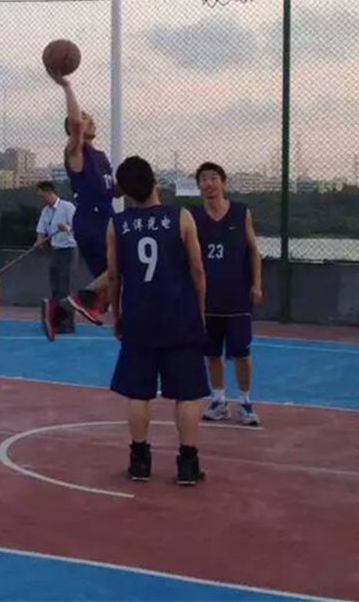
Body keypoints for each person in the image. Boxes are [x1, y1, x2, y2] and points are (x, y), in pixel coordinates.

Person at [103, 156, 210, 486]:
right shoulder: (182, 217)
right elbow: (197, 270)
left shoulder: (117, 225)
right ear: (154, 181)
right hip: (180, 316)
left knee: (139, 393)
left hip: (139, 316)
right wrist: (200, 311)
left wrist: (117, 315)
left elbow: (113, 277)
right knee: (188, 394)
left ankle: (139, 461)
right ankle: (188, 465)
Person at [193, 162, 264, 426]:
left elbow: (254, 251)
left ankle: (245, 402)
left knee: (241, 353)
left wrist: (257, 284)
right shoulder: (194, 217)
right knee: (212, 353)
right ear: (198, 185)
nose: (209, 183)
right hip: (208, 298)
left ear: (223, 183)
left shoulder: (240, 212)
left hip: (237, 297)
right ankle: (219, 400)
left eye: (213, 178)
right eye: (203, 179)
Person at [51, 72, 116, 325]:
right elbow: (76, 123)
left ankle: (62, 310)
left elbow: (112, 190)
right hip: (92, 221)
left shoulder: (101, 157)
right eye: (85, 117)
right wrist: (67, 86)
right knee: (124, 266)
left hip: (106, 218)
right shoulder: (76, 151)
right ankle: (85, 297)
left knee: (115, 279)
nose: (90, 121)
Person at [34, 181, 77, 340]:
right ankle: (56, 320)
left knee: (64, 286)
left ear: (49, 192)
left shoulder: (67, 207)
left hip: (68, 249)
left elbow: (78, 226)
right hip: (56, 250)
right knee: (55, 285)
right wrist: (39, 240)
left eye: (41, 195)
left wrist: (67, 228)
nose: (40, 198)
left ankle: (68, 324)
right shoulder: (46, 211)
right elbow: (41, 230)